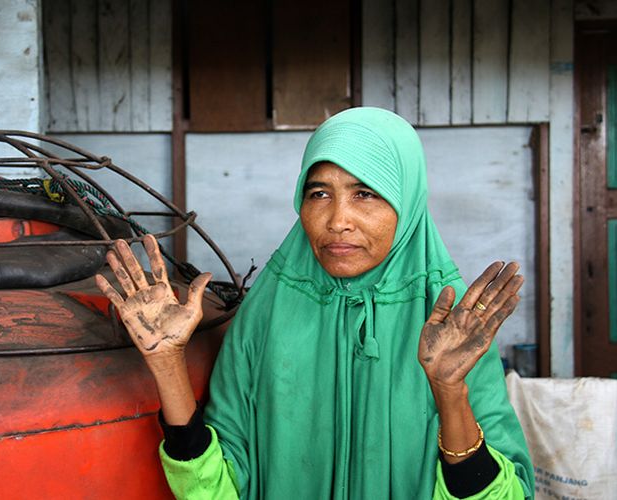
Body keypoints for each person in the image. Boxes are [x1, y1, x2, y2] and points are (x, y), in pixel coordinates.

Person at [96, 107, 535, 499]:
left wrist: (450, 392)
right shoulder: (266, 315)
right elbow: (216, 490)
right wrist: (167, 365)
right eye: (319, 193)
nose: (338, 220)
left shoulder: (450, 324)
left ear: (408, 203)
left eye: (366, 193)